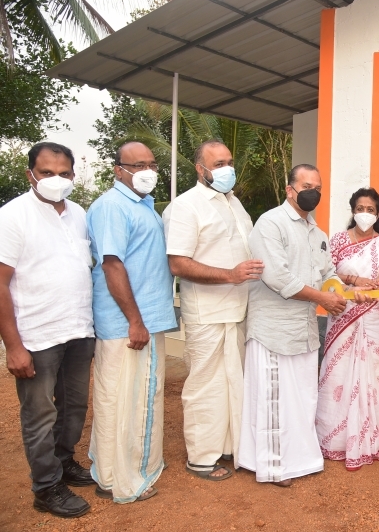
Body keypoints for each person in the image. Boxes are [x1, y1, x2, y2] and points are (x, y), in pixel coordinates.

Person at [0, 142, 95, 517]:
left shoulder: (78, 213)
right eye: (47, 173)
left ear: (73, 175)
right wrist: (13, 346)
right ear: (30, 175)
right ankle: (46, 486)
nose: (57, 179)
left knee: (74, 406)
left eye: (64, 173)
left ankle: (64, 462)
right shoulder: (12, 216)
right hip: (36, 335)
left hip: (78, 329)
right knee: (40, 414)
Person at [240, 164, 347, 486]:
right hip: (274, 330)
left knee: (302, 399)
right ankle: (274, 467)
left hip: (303, 330)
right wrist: (323, 299)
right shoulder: (271, 223)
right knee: (274, 400)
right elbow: (277, 277)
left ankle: (301, 460)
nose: (313, 192)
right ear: (290, 190)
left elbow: (328, 273)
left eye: (318, 187)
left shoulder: (318, 233)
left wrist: (339, 291)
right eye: (306, 186)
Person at [163, 139, 262, 481]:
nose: (226, 169)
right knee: (206, 385)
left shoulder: (235, 203)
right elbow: (178, 263)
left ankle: (230, 447)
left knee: (235, 382)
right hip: (207, 312)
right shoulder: (185, 206)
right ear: (200, 169)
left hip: (239, 309)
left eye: (229, 162)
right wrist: (229, 275)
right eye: (218, 164)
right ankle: (201, 457)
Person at [87, 142, 177, 503]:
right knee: (125, 400)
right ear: (118, 170)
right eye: (138, 165)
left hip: (145, 319)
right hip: (128, 324)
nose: (147, 171)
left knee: (132, 397)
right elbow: (112, 264)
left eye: (152, 164)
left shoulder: (143, 206)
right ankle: (124, 479)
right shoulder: (112, 206)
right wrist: (135, 321)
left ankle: (116, 472)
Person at [316, 188, 379, 470]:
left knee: (376, 374)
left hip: (376, 317)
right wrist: (353, 280)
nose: (365, 214)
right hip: (343, 314)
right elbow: (325, 273)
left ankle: (371, 438)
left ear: (378, 214)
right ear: (352, 211)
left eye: (370, 210)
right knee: (337, 374)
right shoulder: (337, 240)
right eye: (360, 208)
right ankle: (335, 438)